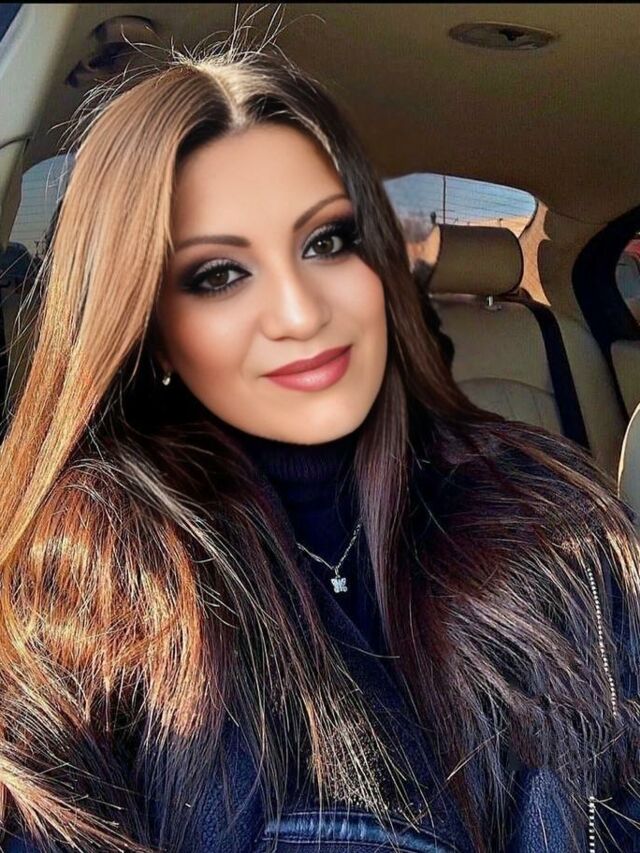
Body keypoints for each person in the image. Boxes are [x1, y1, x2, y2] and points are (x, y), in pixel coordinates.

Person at [0, 37, 639, 853]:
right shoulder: (83, 583)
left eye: (328, 242)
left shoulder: (555, 520)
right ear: (154, 333)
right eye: (218, 274)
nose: (302, 314)